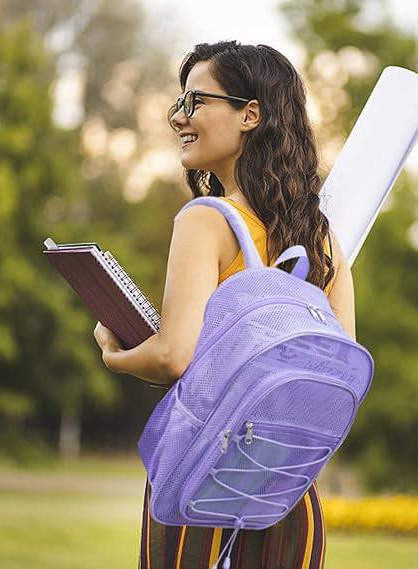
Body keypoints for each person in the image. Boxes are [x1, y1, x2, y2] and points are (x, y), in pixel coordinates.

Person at [134, 40, 356, 569]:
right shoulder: (324, 240)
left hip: (202, 483)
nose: (179, 119)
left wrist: (114, 349)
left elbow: (171, 357)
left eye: (196, 102)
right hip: (287, 493)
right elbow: (341, 368)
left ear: (250, 114)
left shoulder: (205, 220)